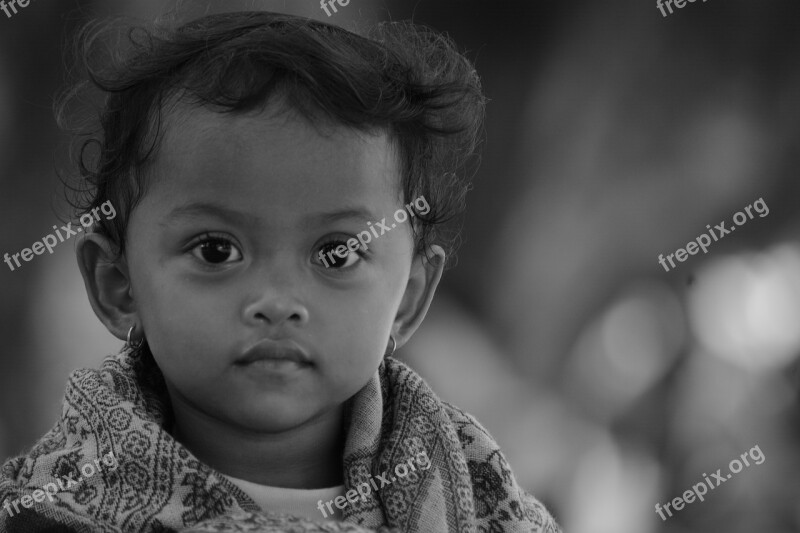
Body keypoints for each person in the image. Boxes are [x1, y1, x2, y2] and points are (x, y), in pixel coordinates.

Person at [0, 11, 561, 532]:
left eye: (336, 254)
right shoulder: (53, 509)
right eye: (216, 251)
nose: (277, 300)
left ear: (410, 298)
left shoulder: (479, 497)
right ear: (117, 284)